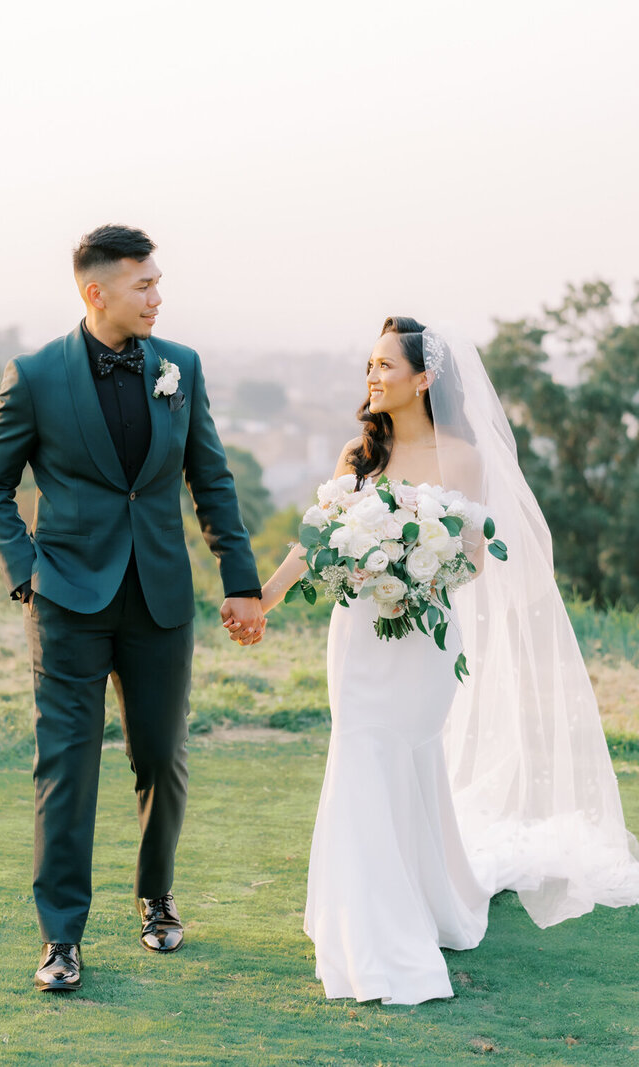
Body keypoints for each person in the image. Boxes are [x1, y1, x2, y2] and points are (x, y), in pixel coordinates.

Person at [255, 316, 639, 1005]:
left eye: (385, 366)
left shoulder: (462, 455)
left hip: (424, 636)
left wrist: (412, 575)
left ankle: (418, 906)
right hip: (359, 635)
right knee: (360, 753)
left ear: (424, 378)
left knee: (409, 754)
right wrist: (265, 597)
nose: (373, 376)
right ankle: (372, 917)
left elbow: (471, 554)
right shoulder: (357, 454)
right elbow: (314, 538)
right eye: (368, 366)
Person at [0, 224, 265, 993]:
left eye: (158, 282)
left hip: (161, 597)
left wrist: (240, 579)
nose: (158, 296)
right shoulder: (34, 375)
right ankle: (61, 938)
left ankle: (156, 895)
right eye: (144, 284)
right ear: (96, 292)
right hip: (67, 599)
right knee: (66, 765)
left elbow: (213, 478)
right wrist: (29, 572)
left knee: (160, 757)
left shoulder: (182, 368)